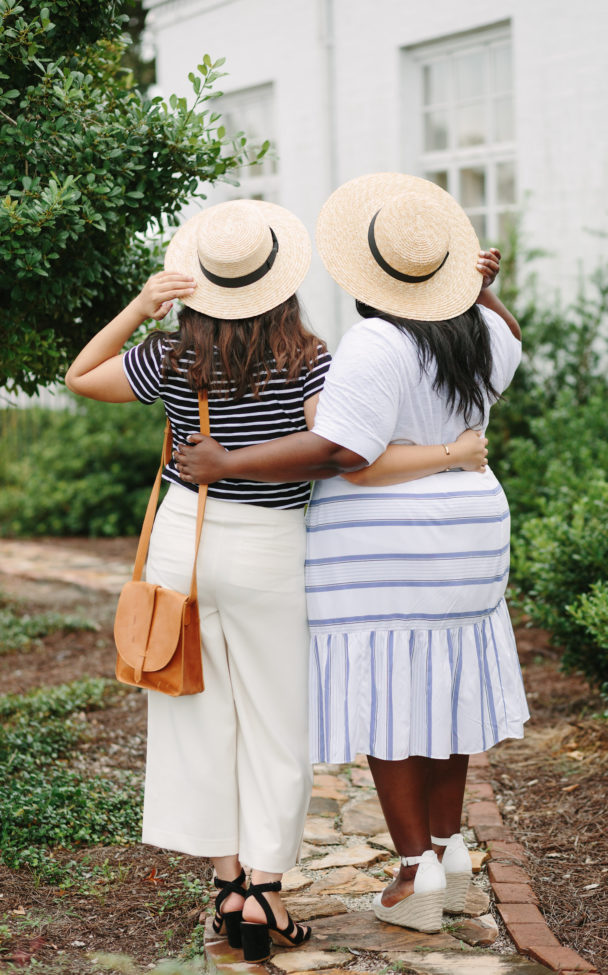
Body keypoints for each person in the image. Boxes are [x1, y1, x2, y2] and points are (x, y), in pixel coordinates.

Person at [64, 196, 492, 962]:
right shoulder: (311, 358)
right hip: (269, 548)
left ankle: (226, 882)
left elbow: (81, 375)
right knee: (275, 724)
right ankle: (264, 890)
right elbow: (337, 450)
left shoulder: (171, 356)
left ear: (200, 282)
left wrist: (141, 302)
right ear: (280, 283)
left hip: (182, 545)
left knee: (196, 716)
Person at [175, 174, 529, 935]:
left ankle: (414, 875)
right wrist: (484, 293)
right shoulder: (478, 331)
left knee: (392, 701)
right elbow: (514, 342)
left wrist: (227, 464)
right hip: (472, 535)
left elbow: (343, 452)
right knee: (444, 690)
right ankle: (448, 850)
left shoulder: (376, 341)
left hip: (384, 544)